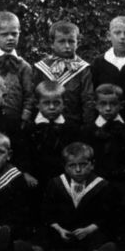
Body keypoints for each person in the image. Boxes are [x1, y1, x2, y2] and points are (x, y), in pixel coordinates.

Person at [12, 143, 117, 251]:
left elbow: (105, 214)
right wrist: (59, 229)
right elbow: (47, 211)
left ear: (92, 165)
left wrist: (88, 229)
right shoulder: (56, 183)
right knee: (44, 232)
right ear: (65, 167)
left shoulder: (102, 185)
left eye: (83, 164)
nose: (78, 170)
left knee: (99, 236)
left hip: (86, 231)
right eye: (72, 165)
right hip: (61, 232)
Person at [16, 81, 81, 218]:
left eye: (56, 103)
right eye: (46, 103)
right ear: (37, 104)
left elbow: (75, 153)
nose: (52, 107)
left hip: (63, 177)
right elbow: (23, 153)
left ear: (64, 104)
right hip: (36, 178)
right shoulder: (30, 128)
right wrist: (26, 173)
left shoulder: (71, 128)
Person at [80, 84, 125, 196]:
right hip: (95, 188)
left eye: (113, 104)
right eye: (103, 104)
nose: (108, 108)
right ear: (95, 105)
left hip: (124, 187)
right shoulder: (87, 131)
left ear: (121, 105)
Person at [32, 20, 95, 125]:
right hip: (43, 124)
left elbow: (88, 100)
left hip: (74, 124)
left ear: (78, 43)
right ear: (52, 44)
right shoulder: (41, 68)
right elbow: (34, 98)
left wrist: (88, 126)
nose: (67, 46)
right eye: (61, 41)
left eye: (71, 41)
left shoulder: (83, 69)